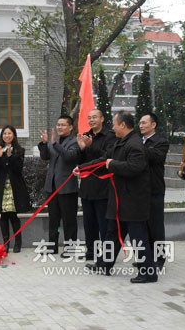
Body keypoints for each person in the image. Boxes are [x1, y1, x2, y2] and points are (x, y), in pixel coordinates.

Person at [83, 111, 157, 284]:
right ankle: (104, 265)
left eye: (115, 124)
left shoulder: (135, 144)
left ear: (123, 125)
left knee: (138, 237)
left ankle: (149, 273)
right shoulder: (120, 142)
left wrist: (113, 164)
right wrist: (82, 168)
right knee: (113, 235)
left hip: (133, 201)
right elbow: (103, 160)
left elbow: (135, 167)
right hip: (120, 200)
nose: (113, 127)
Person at [76, 109, 116, 261]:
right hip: (87, 187)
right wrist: (81, 148)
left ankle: (106, 254)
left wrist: (91, 146)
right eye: (89, 117)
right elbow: (81, 161)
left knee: (103, 224)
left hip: (102, 187)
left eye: (94, 117)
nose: (92, 120)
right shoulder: (87, 135)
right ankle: (91, 251)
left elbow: (106, 159)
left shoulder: (110, 136)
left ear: (102, 118)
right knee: (89, 223)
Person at [38, 115, 80, 257]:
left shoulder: (74, 142)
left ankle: (70, 248)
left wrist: (55, 144)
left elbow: (69, 156)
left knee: (69, 220)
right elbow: (45, 157)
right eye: (58, 124)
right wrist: (44, 144)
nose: (60, 127)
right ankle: (52, 246)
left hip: (67, 188)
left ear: (70, 127)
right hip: (52, 186)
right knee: (53, 219)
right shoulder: (53, 141)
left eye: (63, 125)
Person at [0, 125, 31, 253]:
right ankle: (6, 243)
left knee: (13, 216)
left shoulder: (19, 150)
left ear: (14, 135)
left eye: (9, 133)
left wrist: (10, 157)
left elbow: (18, 168)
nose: (6, 136)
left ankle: (18, 243)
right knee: (3, 216)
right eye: (4, 133)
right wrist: (0, 156)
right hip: (2, 187)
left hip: (14, 187)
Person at [139, 113, 170, 267]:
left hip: (155, 190)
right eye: (140, 123)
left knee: (156, 227)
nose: (141, 125)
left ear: (153, 125)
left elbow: (155, 157)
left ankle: (159, 259)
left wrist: (138, 147)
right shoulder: (139, 141)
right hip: (140, 191)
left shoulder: (161, 141)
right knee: (143, 227)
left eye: (144, 123)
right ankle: (146, 259)